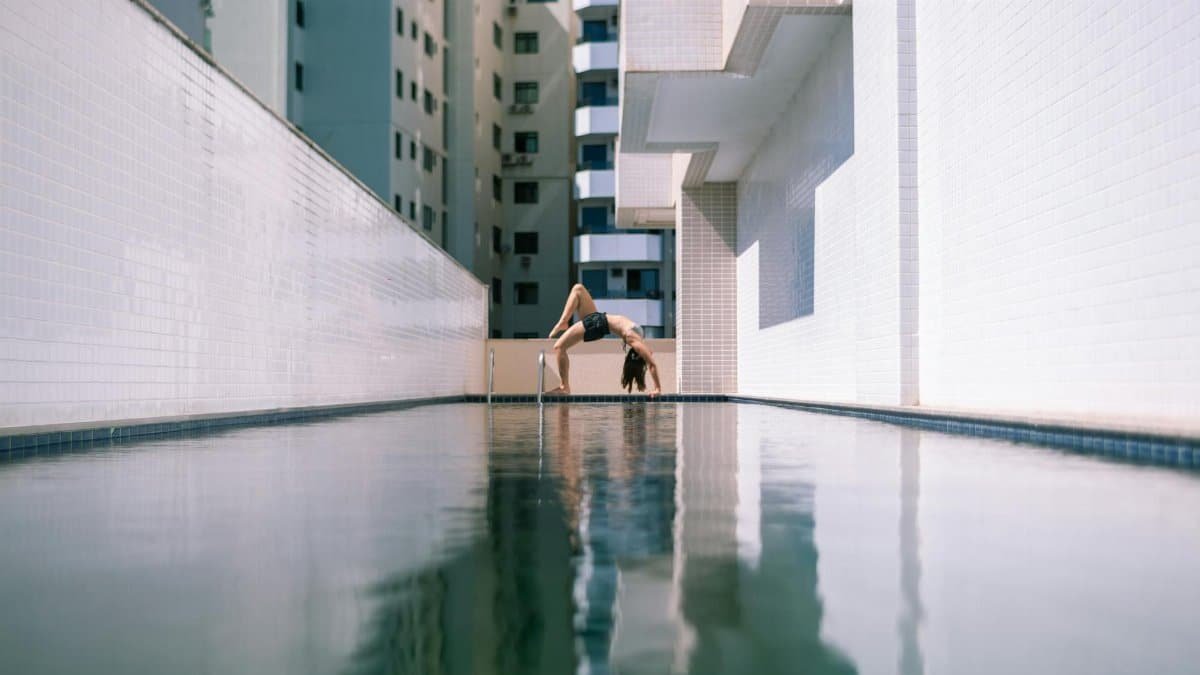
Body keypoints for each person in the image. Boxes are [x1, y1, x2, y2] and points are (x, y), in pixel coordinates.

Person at [546, 284, 661, 397]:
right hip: (599, 318)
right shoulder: (638, 336)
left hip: (598, 325)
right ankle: (564, 321)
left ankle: (564, 386)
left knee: (559, 347)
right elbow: (649, 353)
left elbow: (651, 364)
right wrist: (644, 357)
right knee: (578, 289)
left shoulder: (631, 337)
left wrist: (657, 388)